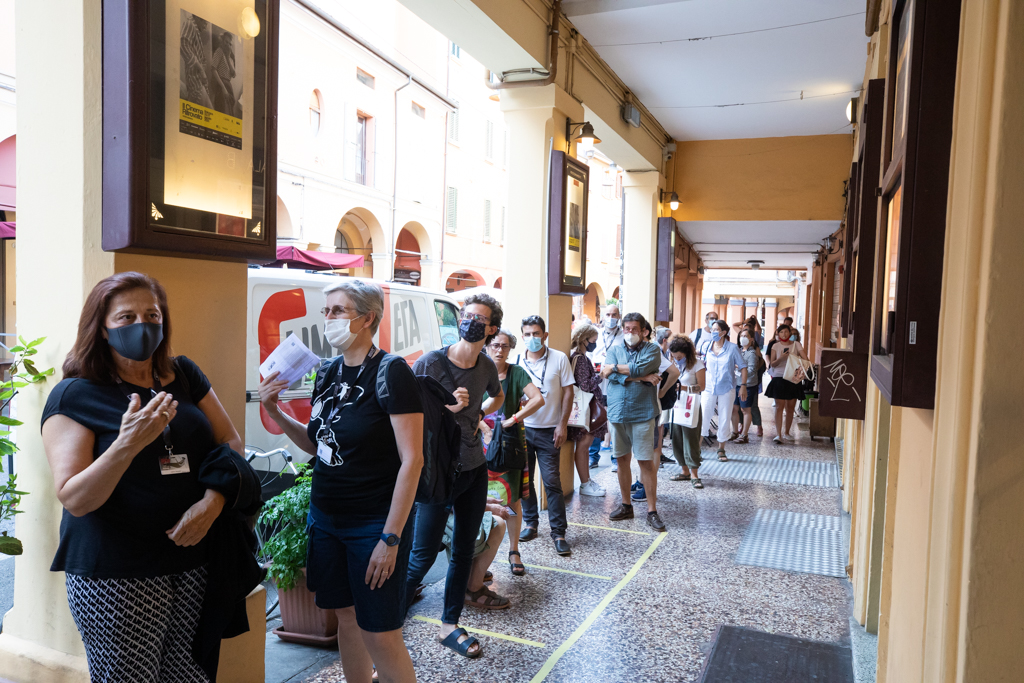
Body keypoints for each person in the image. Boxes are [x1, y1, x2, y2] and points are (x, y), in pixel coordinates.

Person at [42, 272, 262, 682]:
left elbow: (230, 442)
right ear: (102, 328)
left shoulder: (184, 374)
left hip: (195, 562)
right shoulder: (75, 394)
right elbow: (75, 498)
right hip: (118, 575)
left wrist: (212, 502)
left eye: (151, 315)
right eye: (126, 317)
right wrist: (127, 443)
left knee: (191, 676)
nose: (141, 325)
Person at [259, 278, 423, 683]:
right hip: (326, 521)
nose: (328, 318)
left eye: (338, 310)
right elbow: (318, 445)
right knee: (347, 619)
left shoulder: (392, 372)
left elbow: (412, 460)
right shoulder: (328, 372)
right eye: (326, 310)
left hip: (373, 524)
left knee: (381, 633)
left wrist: (390, 539)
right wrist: (276, 412)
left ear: (367, 318)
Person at [405, 293, 505, 659]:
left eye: (480, 319)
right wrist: (449, 408)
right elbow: (408, 413)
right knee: (421, 556)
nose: (470, 322)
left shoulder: (486, 366)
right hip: (438, 473)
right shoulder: (430, 363)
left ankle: (449, 624)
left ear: (491, 329)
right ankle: (385, 628)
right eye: (467, 315)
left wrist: (479, 414)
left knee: (463, 550)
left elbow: (497, 396)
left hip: (474, 469)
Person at [483, 328, 545, 576]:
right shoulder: (477, 370)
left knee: (512, 497)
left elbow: (538, 399)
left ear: (511, 349)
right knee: (477, 497)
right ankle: (480, 557)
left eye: (505, 346)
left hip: (509, 444)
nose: (500, 350)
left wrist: (515, 418)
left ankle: (513, 549)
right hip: (478, 442)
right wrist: (482, 428)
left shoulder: (516, 373)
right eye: (495, 345)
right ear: (487, 346)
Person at [517, 315, 576, 556]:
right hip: (522, 429)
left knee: (552, 482)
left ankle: (559, 533)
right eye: (528, 334)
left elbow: (568, 393)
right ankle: (531, 523)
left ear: (545, 335)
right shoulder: (516, 360)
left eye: (536, 334)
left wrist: (562, 425)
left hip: (550, 430)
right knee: (525, 481)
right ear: (522, 336)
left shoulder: (559, 358)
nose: (532, 338)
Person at [602, 312, 666, 531]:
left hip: (642, 414)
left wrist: (615, 368)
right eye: (627, 329)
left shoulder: (652, 350)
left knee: (645, 462)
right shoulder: (614, 349)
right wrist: (641, 377)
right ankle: (626, 505)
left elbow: (632, 368)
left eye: (634, 329)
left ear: (644, 331)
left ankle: (651, 511)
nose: (630, 333)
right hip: (617, 412)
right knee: (621, 460)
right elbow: (606, 374)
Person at [439, 499, 511, 610]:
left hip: (445, 510)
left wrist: (485, 501)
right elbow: (452, 501)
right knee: (497, 523)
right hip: (440, 513)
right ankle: (473, 589)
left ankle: (471, 573)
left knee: (485, 520)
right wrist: (488, 507)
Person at [567, 322, 607, 497]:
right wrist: (601, 376)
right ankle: (584, 483)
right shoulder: (581, 359)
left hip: (583, 409)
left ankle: (586, 481)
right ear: (584, 340)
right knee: (584, 446)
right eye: (593, 340)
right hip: (586, 410)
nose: (594, 344)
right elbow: (584, 386)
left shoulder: (578, 357)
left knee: (584, 446)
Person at [701, 320, 748, 462]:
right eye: (712, 329)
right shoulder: (706, 346)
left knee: (724, 417)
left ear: (723, 332)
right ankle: (697, 448)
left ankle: (721, 449)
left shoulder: (732, 348)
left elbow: (743, 367)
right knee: (704, 416)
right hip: (708, 387)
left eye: (716, 330)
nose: (713, 332)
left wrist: (743, 385)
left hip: (727, 387)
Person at [587, 304, 623, 468]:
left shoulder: (623, 336)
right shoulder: (595, 334)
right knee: (596, 419)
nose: (611, 318)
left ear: (619, 316)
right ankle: (593, 457)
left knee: (615, 422)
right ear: (602, 316)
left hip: (616, 384)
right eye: (608, 314)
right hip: (598, 384)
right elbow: (589, 355)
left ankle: (616, 459)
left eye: (614, 314)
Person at [668, 335, 706, 488]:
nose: (676, 359)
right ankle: (684, 471)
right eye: (674, 356)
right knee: (676, 438)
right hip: (675, 406)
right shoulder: (672, 364)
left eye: (679, 357)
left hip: (691, 406)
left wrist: (682, 388)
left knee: (691, 439)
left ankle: (694, 474)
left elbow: (702, 386)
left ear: (687, 353)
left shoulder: (697, 364)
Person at [764, 323, 807, 443]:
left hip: (793, 377)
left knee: (790, 407)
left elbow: (805, 359)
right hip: (779, 377)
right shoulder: (775, 346)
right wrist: (781, 358)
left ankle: (787, 432)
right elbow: (772, 364)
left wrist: (797, 359)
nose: (784, 334)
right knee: (779, 406)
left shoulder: (796, 344)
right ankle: (778, 434)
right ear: (778, 334)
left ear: (790, 333)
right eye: (781, 332)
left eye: (786, 332)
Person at [730, 328, 761, 443]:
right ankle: (734, 432)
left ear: (751, 339)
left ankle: (744, 434)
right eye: (741, 336)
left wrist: (738, 367)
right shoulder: (738, 351)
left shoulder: (752, 354)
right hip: (736, 384)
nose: (742, 338)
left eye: (745, 336)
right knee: (734, 408)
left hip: (748, 385)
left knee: (745, 409)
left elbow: (752, 370)